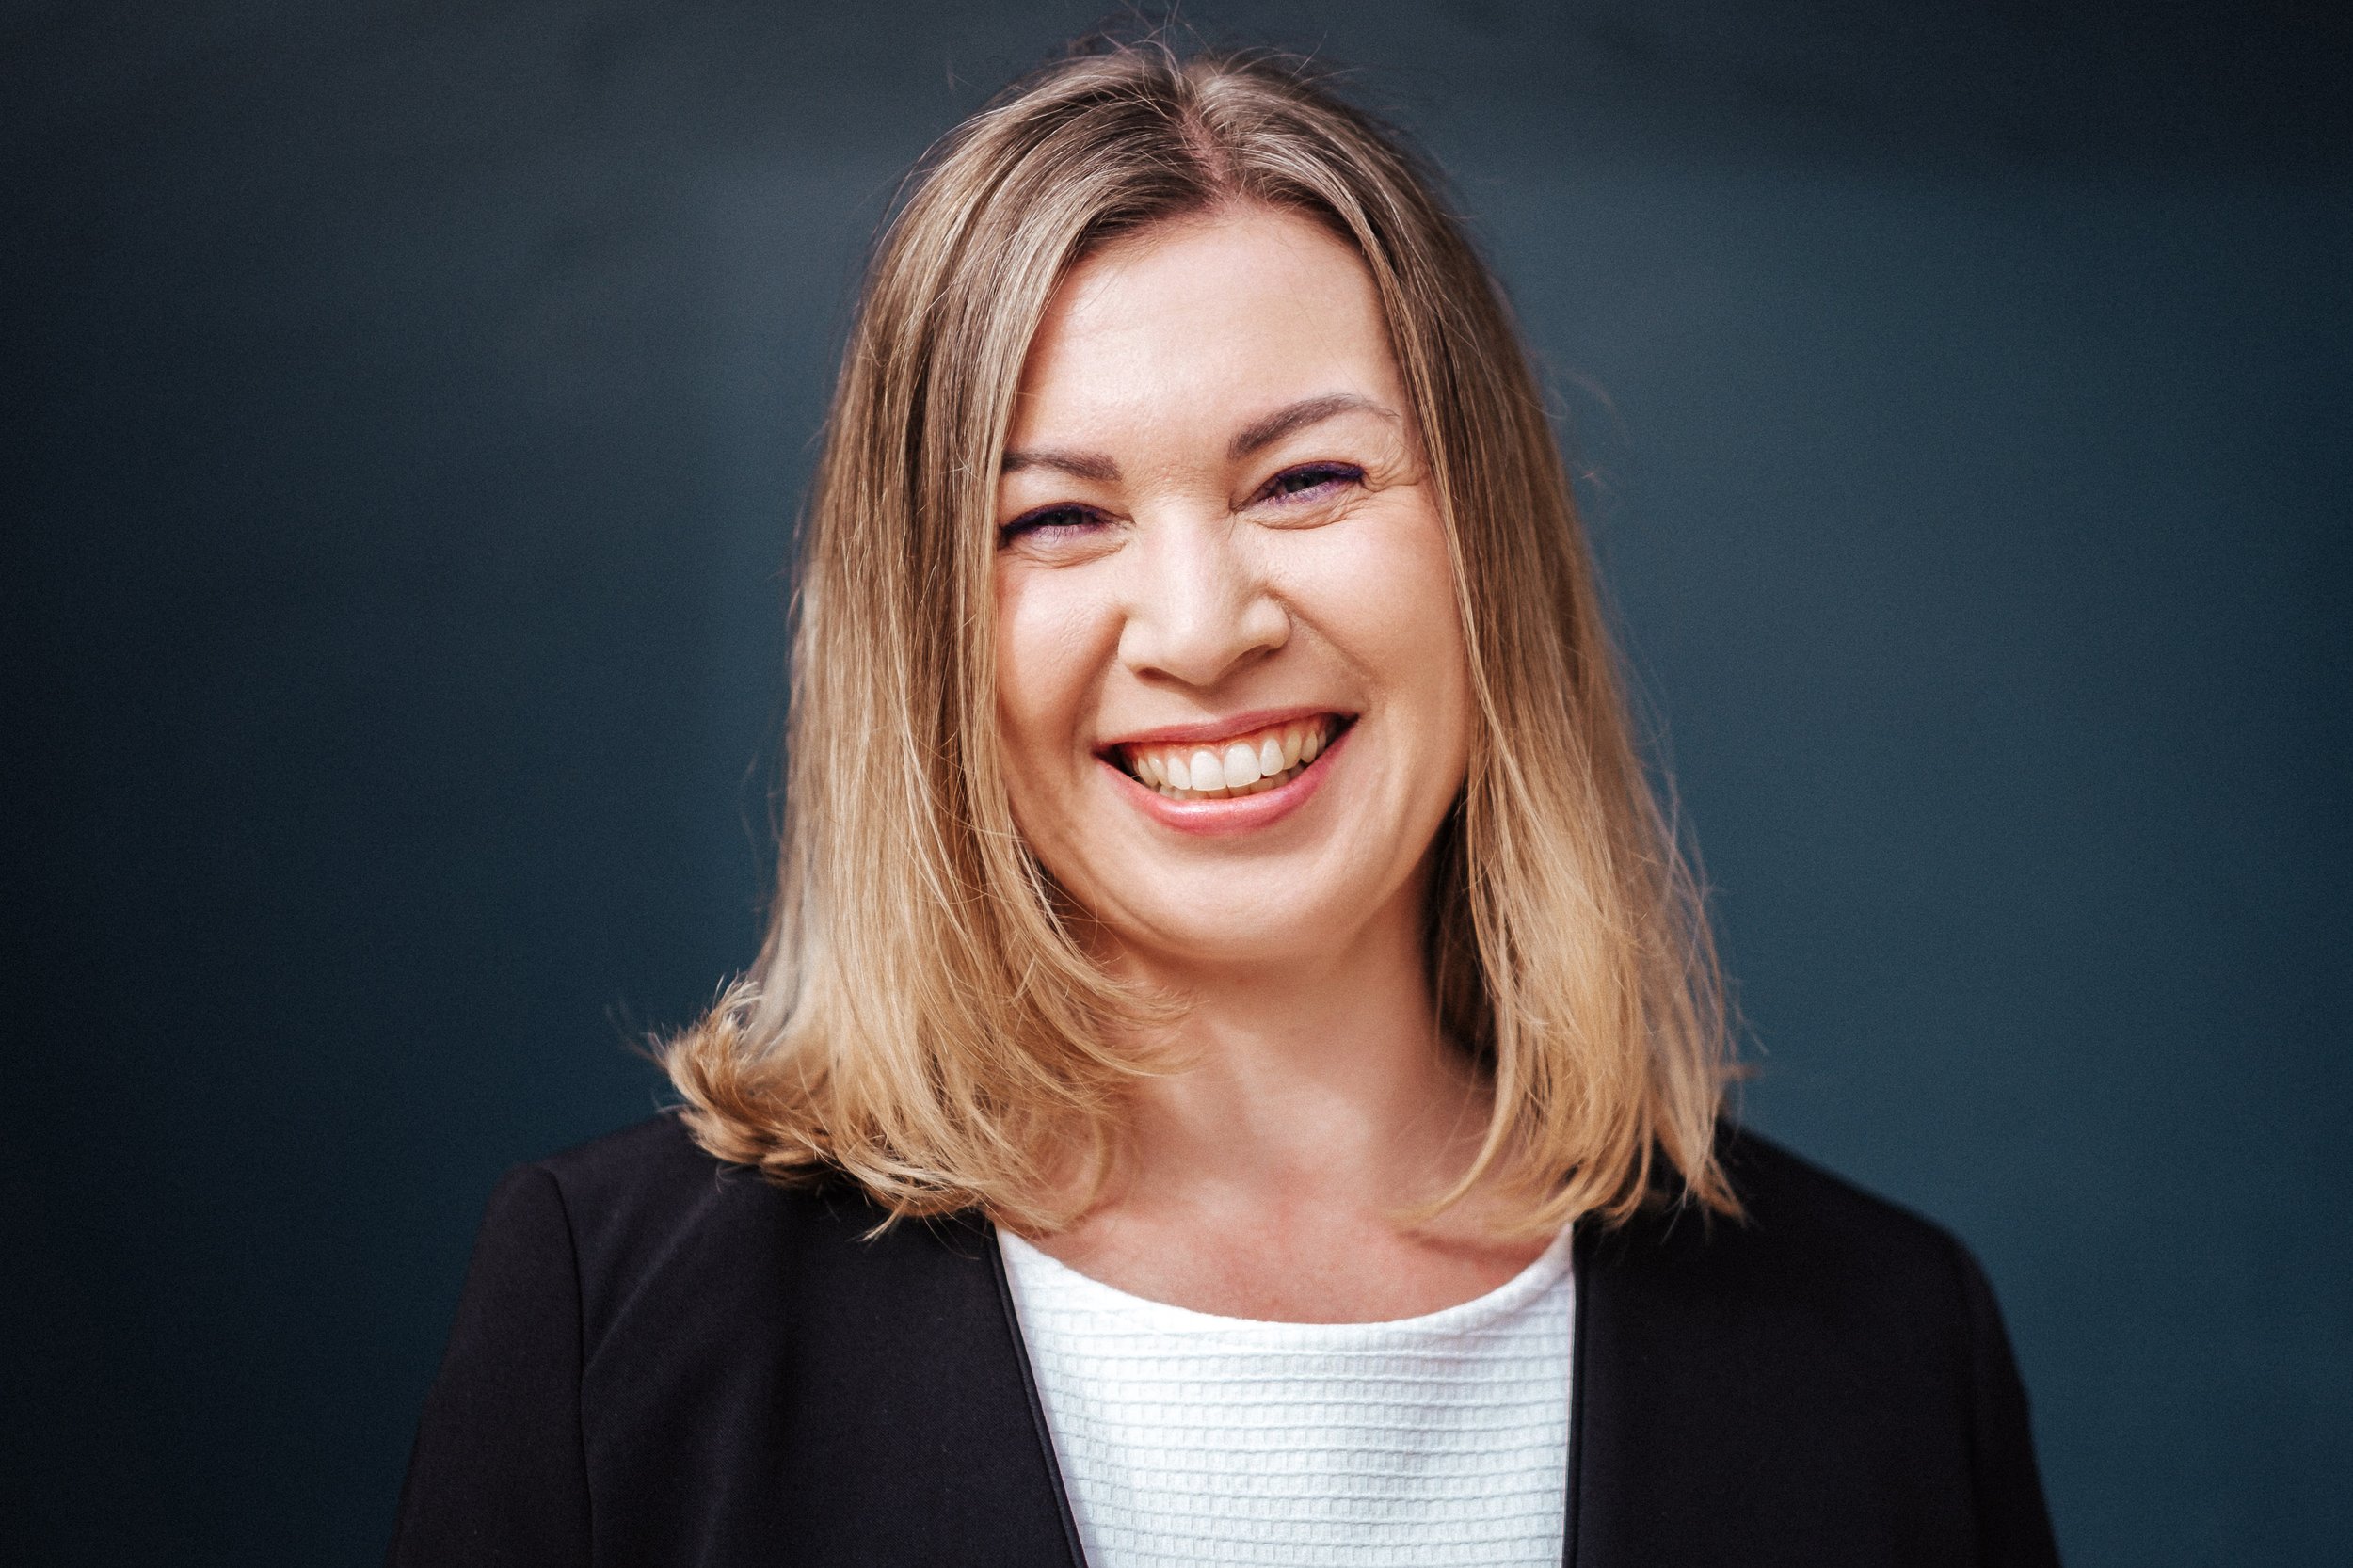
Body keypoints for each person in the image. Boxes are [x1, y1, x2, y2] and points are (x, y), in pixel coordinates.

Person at [389, 40, 2060, 1568]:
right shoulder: (616, 1329)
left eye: (1309, 479)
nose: (1202, 629)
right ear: (921, 630)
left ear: (1490, 546)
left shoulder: (1889, 1349)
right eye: (1054, 517)